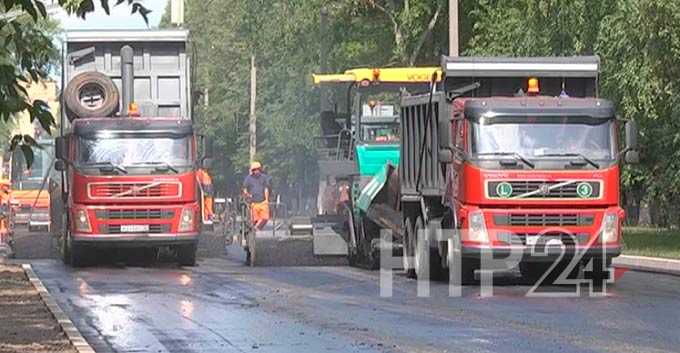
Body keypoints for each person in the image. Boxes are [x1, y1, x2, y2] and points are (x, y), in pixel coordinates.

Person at [242, 161, 271, 230]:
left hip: (263, 201)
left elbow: (266, 189)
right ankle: (255, 231)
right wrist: (247, 195)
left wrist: (267, 199)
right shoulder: (249, 178)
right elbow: (244, 188)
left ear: (260, 169)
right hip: (254, 203)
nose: (256, 171)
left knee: (265, 218)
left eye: (257, 169)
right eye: (254, 170)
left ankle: (255, 228)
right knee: (255, 220)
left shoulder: (264, 177)